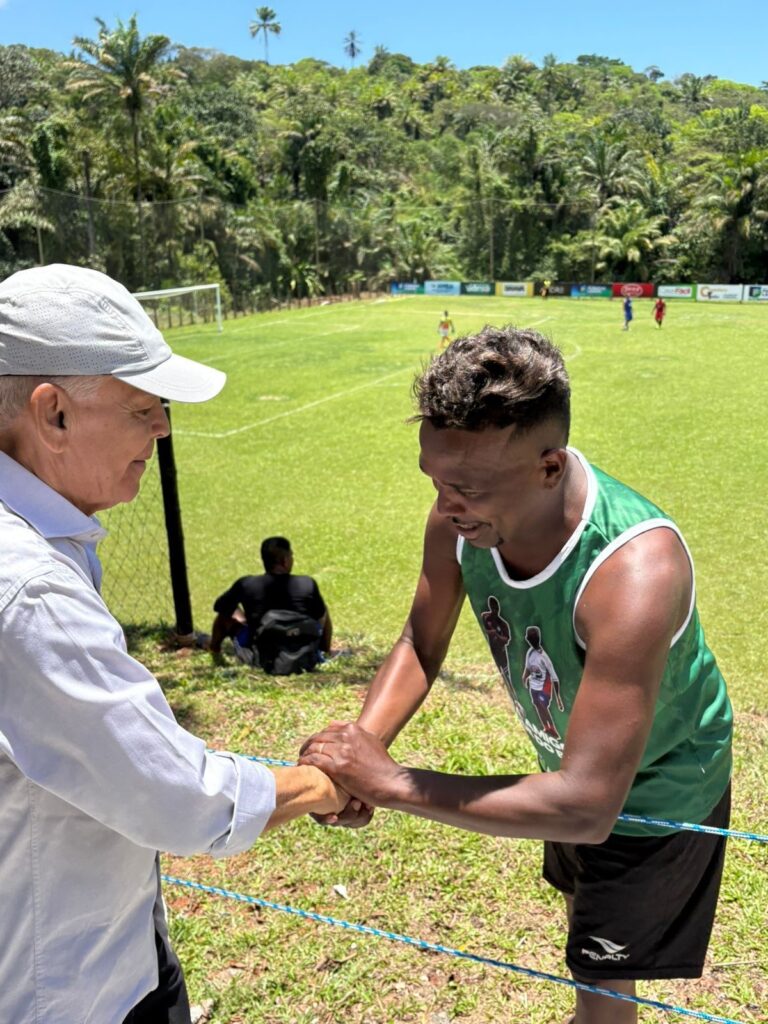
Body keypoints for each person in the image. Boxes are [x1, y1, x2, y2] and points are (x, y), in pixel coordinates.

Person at [299, 326, 733, 1024]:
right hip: (567, 773)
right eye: (435, 480)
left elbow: (588, 806)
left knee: (601, 983)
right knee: (585, 934)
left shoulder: (634, 573)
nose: (445, 505)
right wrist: (359, 750)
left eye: (466, 487)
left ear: (549, 468)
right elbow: (421, 641)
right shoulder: (462, 519)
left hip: (657, 792)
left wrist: (391, 783)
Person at [0, 264, 347, 1024]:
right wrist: (319, 786)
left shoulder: (43, 543)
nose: (161, 427)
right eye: (143, 406)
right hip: (68, 991)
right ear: (53, 414)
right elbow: (177, 796)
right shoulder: (29, 588)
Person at [210, 536, 332, 668]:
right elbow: (319, 616)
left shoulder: (246, 584)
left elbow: (220, 605)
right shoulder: (307, 583)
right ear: (285, 561)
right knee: (323, 609)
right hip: (301, 649)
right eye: (291, 556)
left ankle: (214, 649)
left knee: (224, 616)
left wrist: (242, 617)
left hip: (262, 655)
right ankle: (323, 650)